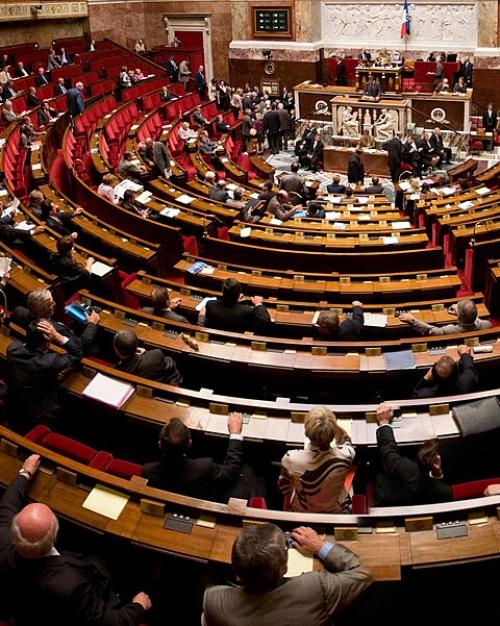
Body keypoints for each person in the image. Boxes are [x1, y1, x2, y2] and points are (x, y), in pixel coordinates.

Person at [0, 454, 151, 624]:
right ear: (55, 535)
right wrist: (138, 606)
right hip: (55, 610)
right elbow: (110, 622)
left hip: (22, 603)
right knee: (103, 558)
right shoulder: (71, 585)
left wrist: (25, 472)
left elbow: (7, 505)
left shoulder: (3, 541)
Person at [202, 523, 372, 626]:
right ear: (283, 569)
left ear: (236, 573)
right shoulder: (314, 589)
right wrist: (320, 546)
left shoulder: (213, 600)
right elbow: (365, 571)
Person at [143, 413, 260, 502]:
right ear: (190, 443)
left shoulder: (148, 471)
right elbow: (230, 471)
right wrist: (235, 433)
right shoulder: (205, 467)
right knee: (247, 469)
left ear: (159, 444)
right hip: (208, 499)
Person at [279, 407, 355, 513]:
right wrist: (330, 425)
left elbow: (284, 487)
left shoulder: (290, 459)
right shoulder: (346, 455)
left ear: (305, 433)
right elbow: (346, 439)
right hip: (335, 511)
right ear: (333, 435)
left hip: (302, 510)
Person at [6, 319, 81, 427]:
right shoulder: (50, 361)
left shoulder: (13, 349)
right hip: (39, 416)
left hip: (13, 409)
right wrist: (57, 336)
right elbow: (77, 353)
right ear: (46, 341)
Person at [374, 403, 452, 506]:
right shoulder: (445, 491)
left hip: (391, 501)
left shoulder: (408, 470)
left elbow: (388, 451)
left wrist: (384, 422)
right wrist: (436, 474)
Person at [11, 287, 100, 358]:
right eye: (50, 303)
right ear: (43, 310)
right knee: (97, 349)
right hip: (73, 351)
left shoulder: (19, 311)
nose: (54, 303)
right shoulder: (56, 330)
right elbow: (82, 345)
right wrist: (92, 323)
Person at [202, 277, 271, 333]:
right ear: (239, 293)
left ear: (222, 291)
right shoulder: (247, 311)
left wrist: (235, 300)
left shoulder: (210, 304)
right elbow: (264, 322)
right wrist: (258, 304)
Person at [113, 330, 182, 385]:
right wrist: (146, 353)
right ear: (136, 345)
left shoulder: (118, 371)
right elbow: (171, 364)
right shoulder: (156, 354)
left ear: (116, 350)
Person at [412, 345, 478, 398]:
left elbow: (415, 394)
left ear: (433, 374)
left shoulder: (427, 394)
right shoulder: (467, 383)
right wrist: (465, 354)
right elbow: (469, 368)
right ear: (457, 371)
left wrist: (426, 377)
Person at [399, 298, 492, 335]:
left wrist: (412, 320)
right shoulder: (487, 325)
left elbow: (430, 330)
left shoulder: (450, 330)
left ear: (461, 318)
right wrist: (459, 315)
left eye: (457, 307)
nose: (454, 305)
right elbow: (472, 317)